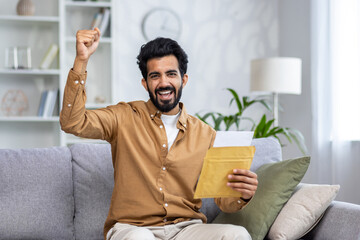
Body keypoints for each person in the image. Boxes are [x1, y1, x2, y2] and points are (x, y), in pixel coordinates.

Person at [60, 27, 258, 240]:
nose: (164, 83)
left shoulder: (205, 134)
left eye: (171, 74)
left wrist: (242, 194)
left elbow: (223, 200)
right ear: (145, 84)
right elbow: (73, 123)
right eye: (155, 76)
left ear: (184, 79)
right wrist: (81, 61)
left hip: (186, 229)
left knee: (237, 234)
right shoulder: (123, 117)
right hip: (133, 229)